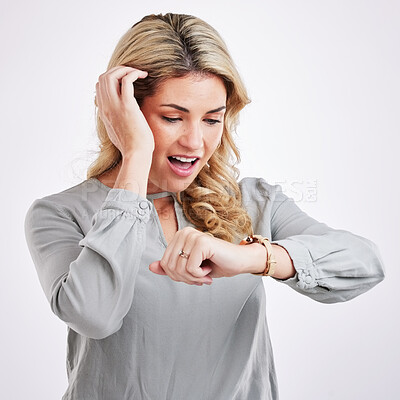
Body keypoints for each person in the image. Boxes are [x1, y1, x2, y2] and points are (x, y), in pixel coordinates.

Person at [24, 12, 385, 400]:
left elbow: (365, 264)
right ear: (125, 114)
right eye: (172, 118)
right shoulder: (60, 214)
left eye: (212, 120)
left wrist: (249, 258)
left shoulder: (253, 200)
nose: (195, 142)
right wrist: (137, 155)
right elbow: (93, 315)